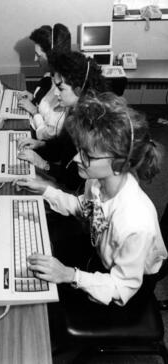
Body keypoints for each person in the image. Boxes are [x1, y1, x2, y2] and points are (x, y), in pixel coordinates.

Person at [14, 91, 167, 307]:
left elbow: (122, 287)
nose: (76, 158)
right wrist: (45, 190)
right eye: (80, 150)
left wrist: (70, 275)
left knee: (49, 300)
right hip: (100, 255)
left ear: (119, 164)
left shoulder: (134, 222)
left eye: (87, 155)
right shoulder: (98, 181)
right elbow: (84, 207)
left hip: (128, 287)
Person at [18, 50, 107, 192]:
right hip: (65, 179)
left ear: (79, 89)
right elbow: (63, 147)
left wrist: (43, 164)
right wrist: (40, 144)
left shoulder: (88, 126)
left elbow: (72, 180)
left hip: (72, 191)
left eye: (61, 88)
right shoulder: (75, 109)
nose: (56, 93)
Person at [17, 24, 71, 140]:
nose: (35, 59)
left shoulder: (64, 88)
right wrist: (33, 97)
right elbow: (46, 98)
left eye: (38, 55)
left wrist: (34, 112)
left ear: (51, 56)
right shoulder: (50, 76)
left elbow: (48, 137)